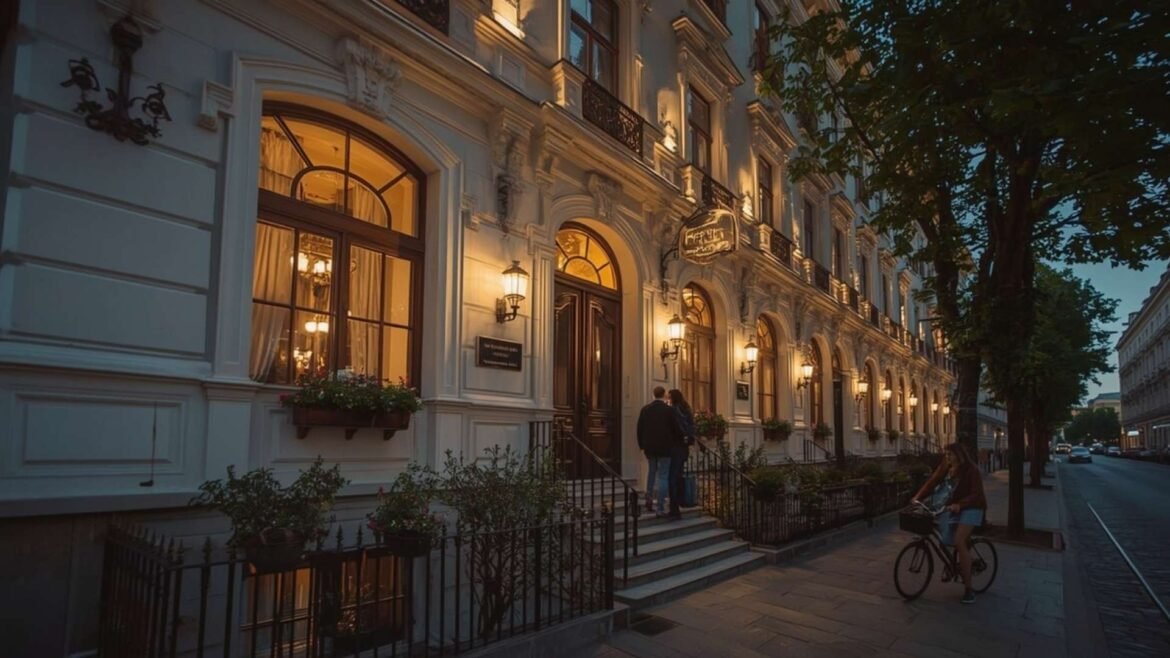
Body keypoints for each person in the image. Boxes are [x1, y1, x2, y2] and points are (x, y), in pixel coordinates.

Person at [913, 442, 987, 604]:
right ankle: (958, 563)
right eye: (946, 455)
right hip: (954, 507)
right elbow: (932, 481)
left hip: (972, 507)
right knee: (944, 539)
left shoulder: (971, 470)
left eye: (950, 454)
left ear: (959, 455)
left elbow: (977, 494)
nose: (948, 458)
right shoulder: (947, 467)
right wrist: (917, 497)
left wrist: (960, 504)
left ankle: (969, 590)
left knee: (959, 541)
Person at [636, 386, 684, 517]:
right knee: (663, 476)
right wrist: (681, 439)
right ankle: (660, 507)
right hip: (665, 447)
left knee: (651, 473)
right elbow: (676, 429)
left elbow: (639, 428)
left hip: (650, 447)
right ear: (663, 395)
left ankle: (649, 499)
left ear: (653, 394)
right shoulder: (669, 411)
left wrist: (642, 445)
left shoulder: (645, 410)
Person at [667, 389, 696, 516]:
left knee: (672, 477)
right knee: (678, 475)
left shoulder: (674, 410)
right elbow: (691, 427)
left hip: (675, 447)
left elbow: (677, 428)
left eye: (669, 397)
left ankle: (674, 507)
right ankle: (679, 502)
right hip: (684, 448)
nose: (668, 399)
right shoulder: (686, 409)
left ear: (673, 398)